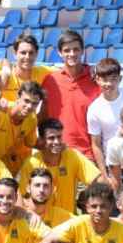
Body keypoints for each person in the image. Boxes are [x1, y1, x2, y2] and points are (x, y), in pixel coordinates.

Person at [17, 118, 101, 214]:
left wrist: (88, 197)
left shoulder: (72, 156)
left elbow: (98, 179)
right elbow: (22, 195)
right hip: (41, 222)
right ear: (41, 140)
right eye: (51, 138)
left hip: (68, 221)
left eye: (59, 137)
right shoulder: (31, 163)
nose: (56, 142)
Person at [41, 30, 101, 161]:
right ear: (59, 52)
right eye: (67, 50)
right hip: (56, 153)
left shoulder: (95, 80)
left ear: (82, 51)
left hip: (88, 155)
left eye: (76, 49)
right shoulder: (50, 80)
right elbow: (43, 116)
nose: (72, 54)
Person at [87, 58, 123, 182]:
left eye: (113, 79)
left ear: (120, 79)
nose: (109, 84)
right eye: (105, 80)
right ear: (97, 80)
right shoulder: (94, 109)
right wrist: (104, 175)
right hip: (113, 166)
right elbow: (96, 144)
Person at [0, 81, 43, 174]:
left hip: (7, 168)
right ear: (18, 98)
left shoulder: (32, 119)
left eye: (35, 103)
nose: (29, 106)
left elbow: (31, 143)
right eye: (26, 101)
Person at [0, 35, 53, 104]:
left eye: (31, 53)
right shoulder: (4, 74)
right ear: (15, 54)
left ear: (36, 54)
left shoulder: (43, 72)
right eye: (23, 53)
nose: (27, 57)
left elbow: (62, 70)